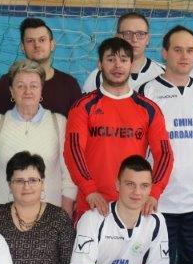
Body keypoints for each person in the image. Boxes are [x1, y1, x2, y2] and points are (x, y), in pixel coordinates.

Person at [138, 26, 193, 264]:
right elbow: (141, 149)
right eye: (178, 50)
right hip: (159, 201)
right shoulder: (147, 91)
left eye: (190, 50)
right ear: (164, 52)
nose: (184, 56)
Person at [64, 37, 174, 220]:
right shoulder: (83, 106)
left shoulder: (149, 109)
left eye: (123, 60)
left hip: (134, 206)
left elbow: (164, 154)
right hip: (93, 205)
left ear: (131, 65)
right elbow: (73, 151)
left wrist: (154, 192)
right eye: (110, 59)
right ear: (100, 64)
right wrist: (89, 189)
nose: (117, 65)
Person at [0, 59, 75, 214]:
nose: (27, 91)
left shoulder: (59, 124)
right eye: (20, 86)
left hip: (49, 218)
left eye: (33, 86)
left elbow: (69, 178)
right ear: (11, 91)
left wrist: (65, 216)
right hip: (3, 219)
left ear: (41, 89)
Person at [0, 17, 83, 116]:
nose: (37, 45)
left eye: (42, 40)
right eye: (30, 41)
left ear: (52, 45)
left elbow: (77, 123)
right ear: (22, 47)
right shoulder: (6, 83)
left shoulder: (69, 84)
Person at [82, 12, 164, 92]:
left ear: (148, 39)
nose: (134, 39)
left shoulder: (163, 73)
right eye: (128, 33)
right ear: (117, 37)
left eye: (140, 34)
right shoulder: (97, 77)